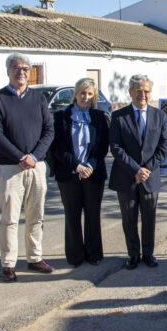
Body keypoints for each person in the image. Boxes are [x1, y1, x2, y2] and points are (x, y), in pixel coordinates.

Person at [0, 53, 55, 282]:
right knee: (10, 218)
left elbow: (49, 130)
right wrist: (20, 157)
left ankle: (35, 258)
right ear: (8, 71)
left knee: (36, 215)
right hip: (9, 169)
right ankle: (8, 263)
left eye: (25, 68)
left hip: (36, 167)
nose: (21, 72)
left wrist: (34, 156)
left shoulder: (38, 98)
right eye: (16, 68)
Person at [108, 74, 167, 269]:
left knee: (149, 217)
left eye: (146, 91)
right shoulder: (118, 116)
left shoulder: (159, 115)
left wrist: (147, 169)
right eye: (138, 91)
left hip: (150, 177)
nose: (142, 95)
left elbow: (164, 144)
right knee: (129, 218)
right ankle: (133, 254)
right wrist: (136, 169)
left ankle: (149, 253)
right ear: (130, 92)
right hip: (126, 177)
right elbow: (115, 147)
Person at [49, 77, 110, 267]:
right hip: (69, 174)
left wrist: (90, 165)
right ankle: (75, 256)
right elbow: (57, 147)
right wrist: (76, 166)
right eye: (82, 93)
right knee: (72, 215)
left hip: (93, 174)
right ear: (75, 94)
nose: (85, 97)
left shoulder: (100, 118)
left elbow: (102, 146)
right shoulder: (60, 117)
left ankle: (94, 254)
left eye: (90, 94)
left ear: (94, 97)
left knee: (93, 215)